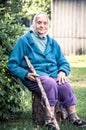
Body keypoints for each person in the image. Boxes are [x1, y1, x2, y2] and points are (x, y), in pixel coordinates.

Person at [7, 12, 86, 130]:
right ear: (34, 24)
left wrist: (62, 72)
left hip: (53, 76)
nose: (42, 26)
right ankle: (50, 119)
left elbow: (63, 62)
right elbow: (11, 64)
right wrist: (26, 74)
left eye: (45, 23)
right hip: (34, 78)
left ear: (48, 25)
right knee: (50, 83)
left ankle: (73, 117)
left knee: (65, 85)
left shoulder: (52, 42)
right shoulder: (24, 41)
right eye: (39, 23)